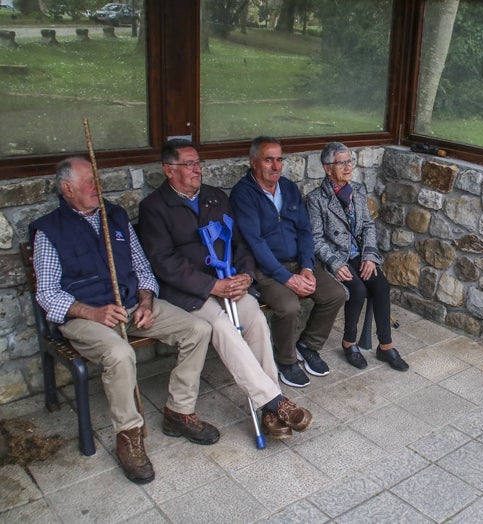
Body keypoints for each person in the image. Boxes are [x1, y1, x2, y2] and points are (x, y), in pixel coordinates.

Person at [30, 157, 219, 485]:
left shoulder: (114, 216)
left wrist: (146, 300)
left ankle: (179, 412)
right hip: (84, 315)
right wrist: (93, 312)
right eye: (89, 182)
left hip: (132, 304)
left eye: (97, 180)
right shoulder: (49, 230)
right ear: (67, 189)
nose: (96, 187)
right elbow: (46, 294)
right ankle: (128, 436)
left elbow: (143, 268)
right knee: (119, 354)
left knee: (198, 329)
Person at [137, 139, 313, 440]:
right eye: (188, 164)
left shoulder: (215, 197)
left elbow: (239, 242)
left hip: (228, 281)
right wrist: (211, 285)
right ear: (169, 170)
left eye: (198, 164)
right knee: (221, 325)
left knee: (255, 317)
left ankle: (271, 410)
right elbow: (164, 262)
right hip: (190, 291)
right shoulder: (154, 207)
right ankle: (273, 400)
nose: (197, 169)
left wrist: (244, 274)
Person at [230, 136, 346, 388]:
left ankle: (308, 345)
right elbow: (254, 242)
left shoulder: (289, 188)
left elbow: (305, 230)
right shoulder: (243, 193)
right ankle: (285, 360)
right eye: (268, 160)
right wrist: (287, 278)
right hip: (266, 268)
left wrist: (306, 266)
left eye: (279, 159)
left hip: (298, 262)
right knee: (288, 306)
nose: (275, 166)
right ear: (253, 162)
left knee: (336, 293)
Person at [306, 142, 408, 372]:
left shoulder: (358, 191)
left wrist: (370, 256)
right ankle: (349, 342)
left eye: (349, 161)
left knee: (380, 285)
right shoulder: (316, 199)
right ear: (327, 168)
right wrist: (335, 262)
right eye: (341, 163)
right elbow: (315, 239)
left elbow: (368, 226)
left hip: (359, 254)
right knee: (358, 289)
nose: (348, 167)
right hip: (336, 257)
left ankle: (386, 345)